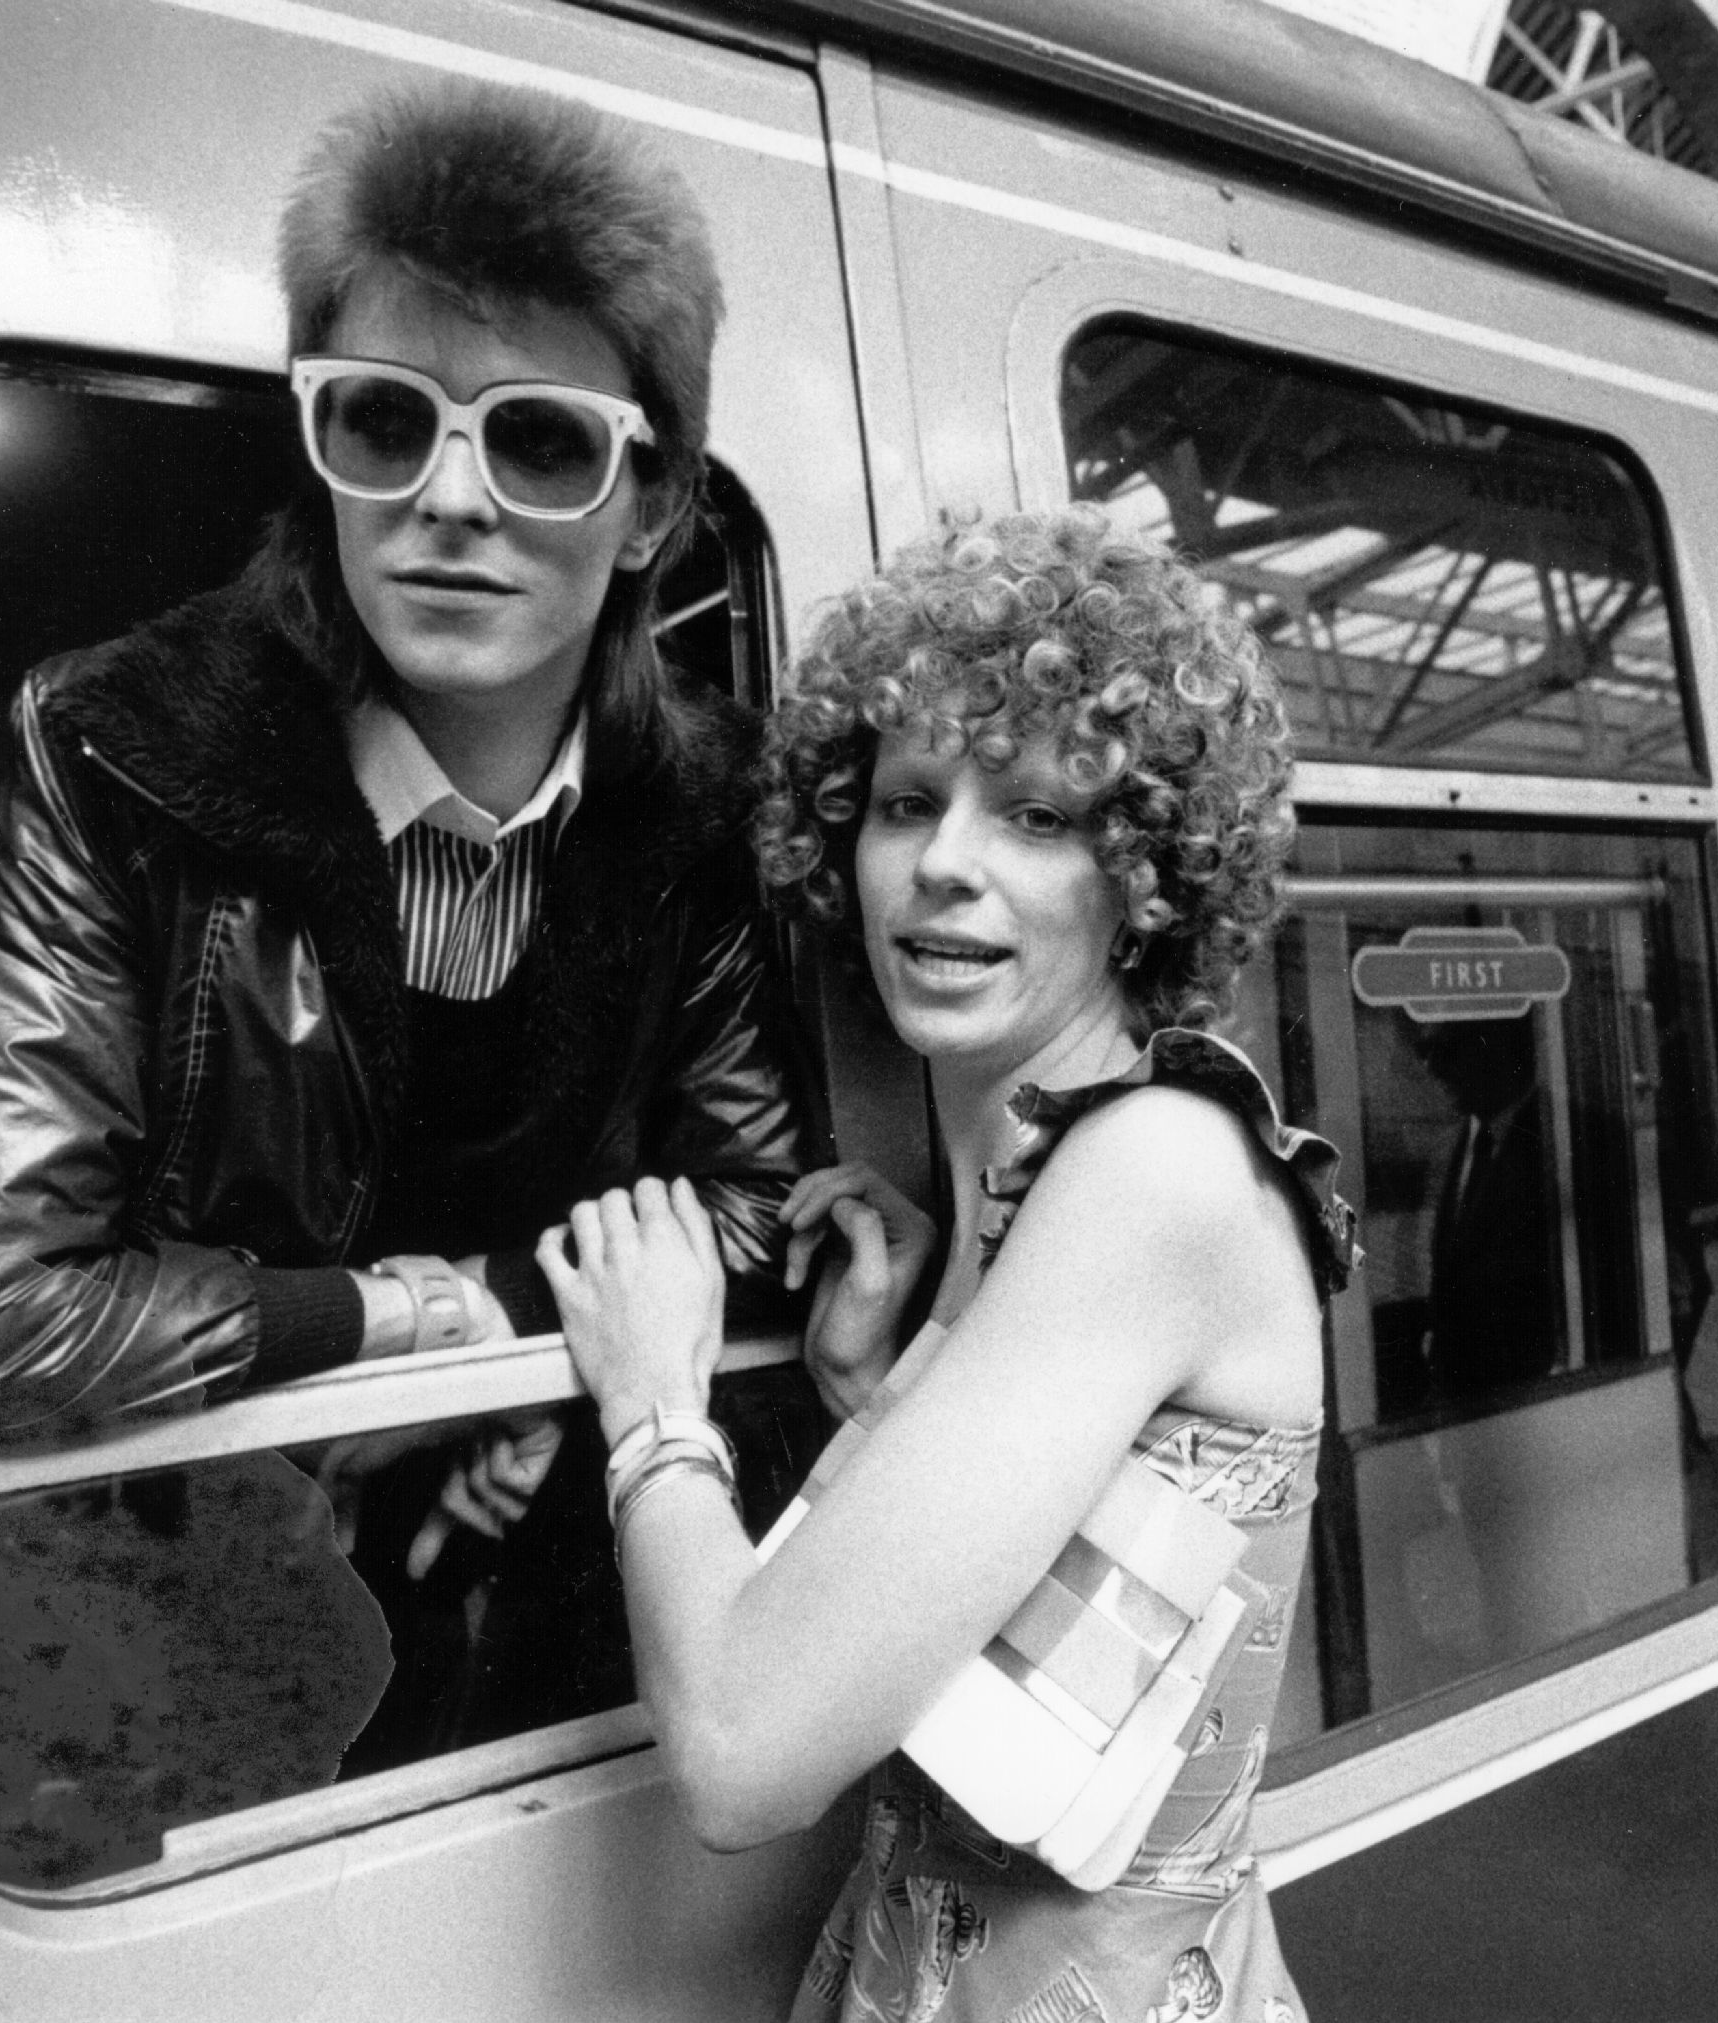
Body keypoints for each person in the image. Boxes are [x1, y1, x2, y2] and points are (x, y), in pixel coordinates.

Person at [0, 80, 812, 1883]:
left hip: (556, 1621)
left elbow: (764, 1205)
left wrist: (514, 1314)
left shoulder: (694, 813)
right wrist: (390, 1318)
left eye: (539, 443)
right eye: (384, 423)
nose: (448, 504)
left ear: (652, 508)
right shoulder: (125, 754)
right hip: (191, 1601)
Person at [541, 511, 1356, 2021]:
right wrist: (875, 1387)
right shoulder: (1042, 1187)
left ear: (1145, 875)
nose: (944, 867)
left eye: (1040, 819)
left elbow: (739, 1750)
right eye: (908, 801)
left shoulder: (1151, 1172)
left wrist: (658, 1406)